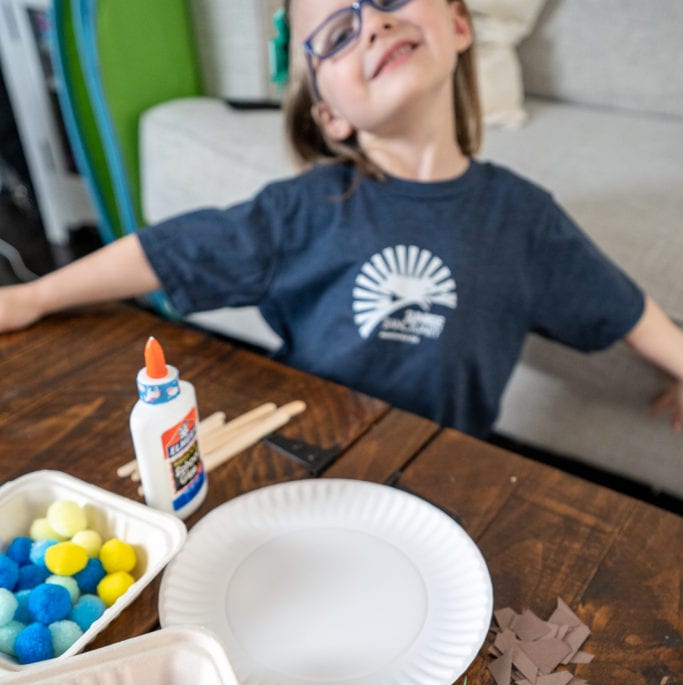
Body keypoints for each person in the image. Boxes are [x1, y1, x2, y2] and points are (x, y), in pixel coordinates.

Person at [1, 0, 682, 433]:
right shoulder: (306, 207)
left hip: (447, 473)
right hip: (306, 445)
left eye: (389, 1)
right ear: (328, 114)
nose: (374, 23)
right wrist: (34, 296)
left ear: (457, 21)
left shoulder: (524, 218)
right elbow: (168, 251)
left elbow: (621, 307)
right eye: (337, 31)